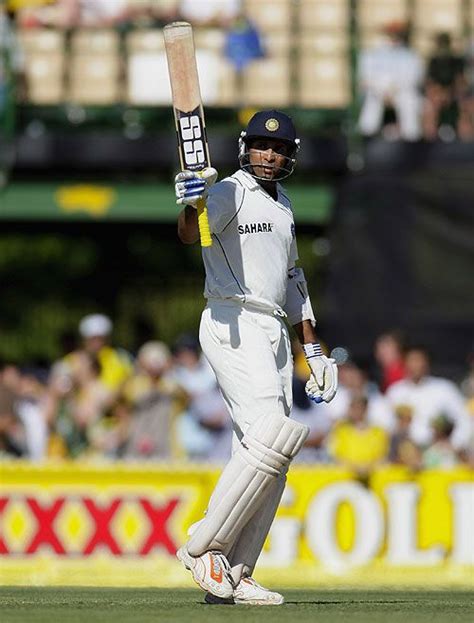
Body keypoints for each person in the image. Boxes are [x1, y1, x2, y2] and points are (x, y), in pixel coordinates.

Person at [173, 109, 338, 605]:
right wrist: (191, 203)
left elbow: (292, 279)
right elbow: (190, 233)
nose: (271, 155)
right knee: (272, 434)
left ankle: (236, 572)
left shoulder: (283, 204)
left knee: (275, 453)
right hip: (232, 319)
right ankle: (204, 548)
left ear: (291, 156)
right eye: (264, 147)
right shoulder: (227, 191)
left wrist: (312, 348)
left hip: (272, 328)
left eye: (281, 148)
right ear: (246, 148)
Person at [357, 22, 424, 141]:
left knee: (409, 102)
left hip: (401, 92)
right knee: (372, 102)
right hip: (378, 91)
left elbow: (413, 78)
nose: (394, 37)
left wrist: (394, 90)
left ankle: (412, 140)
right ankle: (366, 138)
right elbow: (366, 77)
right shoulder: (371, 54)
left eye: (396, 34)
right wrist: (383, 90)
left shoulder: (410, 55)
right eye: (391, 33)